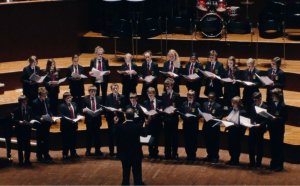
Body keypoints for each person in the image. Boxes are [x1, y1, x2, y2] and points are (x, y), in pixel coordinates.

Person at [115, 108, 144, 185]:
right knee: (137, 174)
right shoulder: (137, 127)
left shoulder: (120, 127)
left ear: (125, 116)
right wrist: (146, 125)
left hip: (124, 154)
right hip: (136, 154)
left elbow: (115, 137)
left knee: (125, 173)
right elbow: (144, 136)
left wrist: (116, 123)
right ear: (133, 116)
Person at [267, 88, 287, 171]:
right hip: (272, 128)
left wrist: (277, 119)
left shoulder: (283, 106)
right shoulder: (271, 104)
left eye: (273, 95)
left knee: (279, 146)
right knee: (273, 146)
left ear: (277, 96)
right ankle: (273, 163)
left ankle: (279, 165)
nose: (272, 97)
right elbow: (269, 114)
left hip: (279, 129)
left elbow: (285, 119)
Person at [32, 87, 53, 162]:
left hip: (47, 123)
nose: (45, 96)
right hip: (40, 124)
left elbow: (49, 110)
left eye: (46, 95)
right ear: (40, 95)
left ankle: (46, 154)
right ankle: (39, 155)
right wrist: (40, 118)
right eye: (44, 95)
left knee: (46, 140)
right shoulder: (35, 102)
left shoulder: (47, 100)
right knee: (40, 140)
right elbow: (34, 114)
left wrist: (50, 115)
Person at [161, 78, 180, 160]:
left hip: (174, 118)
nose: (166, 87)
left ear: (172, 86)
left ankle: (175, 153)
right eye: (165, 85)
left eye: (168, 85)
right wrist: (162, 110)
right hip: (166, 118)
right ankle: (167, 153)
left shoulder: (177, 95)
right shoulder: (164, 95)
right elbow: (162, 106)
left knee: (174, 137)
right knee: (167, 137)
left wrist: (174, 111)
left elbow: (179, 107)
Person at [82, 86, 104, 156]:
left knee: (97, 136)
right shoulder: (85, 99)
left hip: (97, 120)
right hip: (89, 120)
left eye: (94, 91)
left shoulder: (99, 98)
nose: (93, 93)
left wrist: (101, 110)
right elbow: (82, 109)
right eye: (91, 91)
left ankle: (98, 150)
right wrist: (84, 110)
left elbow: (102, 108)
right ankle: (88, 151)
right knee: (89, 136)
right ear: (89, 92)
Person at [248, 92, 268, 168]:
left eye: (256, 100)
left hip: (260, 129)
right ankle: (252, 162)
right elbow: (251, 116)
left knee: (259, 147)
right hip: (253, 128)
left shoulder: (265, 107)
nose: (254, 101)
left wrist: (260, 124)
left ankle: (258, 162)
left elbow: (266, 119)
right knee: (251, 146)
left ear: (260, 99)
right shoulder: (253, 105)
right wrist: (250, 123)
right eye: (254, 100)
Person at [179, 90, 201, 161]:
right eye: (188, 96)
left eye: (191, 96)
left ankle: (193, 155)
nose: (190, 97)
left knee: (193, 140)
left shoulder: (197, 104)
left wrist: (193, 118)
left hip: (194, 125)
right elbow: (181, 113)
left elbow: (199, 115)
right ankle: (188, 154)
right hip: (186, 125)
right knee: (187, 140)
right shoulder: (184, 103)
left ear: (194, 97)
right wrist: (184, 117)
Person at [105, 83, 126, 157]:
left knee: (120, 137)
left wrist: (121, 110)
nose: (115, 89)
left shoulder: (122, 97)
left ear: (118, 88)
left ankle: (119, 152)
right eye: (113, 88)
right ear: (111, 89)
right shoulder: (108, 97)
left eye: (116, 88)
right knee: (111, 136)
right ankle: (111, 152)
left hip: (120, 119)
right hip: (111, 119)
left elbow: (125, 107)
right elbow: (106, 108)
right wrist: (113, 117)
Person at [225, 96, 247, 165]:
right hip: (231, 130)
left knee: (236, 146)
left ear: (238, 103)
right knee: (230, 145)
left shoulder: (243, 112)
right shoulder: (231, 109)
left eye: (234, 103)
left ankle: (236, 160)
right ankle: (232, 159)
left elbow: (243, 124)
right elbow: (228, 118)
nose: (232, 104)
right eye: (232, 102)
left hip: (238, 132)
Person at [202, 92, 223, 163]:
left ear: (214, 98)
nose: (210, 99)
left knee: (214, 142)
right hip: (206, 126)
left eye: (212, 98)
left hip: (214, 127)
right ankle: (209, 155)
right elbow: (202, 112)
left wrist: (215, 117)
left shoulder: (218, 106)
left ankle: (215, 156)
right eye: (209, 98)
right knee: (207, 141)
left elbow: (220, 116)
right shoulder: (205, 104)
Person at [59, 92, 80, 160]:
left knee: (73, 140)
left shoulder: (74, 104)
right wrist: (69, 119)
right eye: (68, 98)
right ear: (65, 99)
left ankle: (73, 153)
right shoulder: (62, 106)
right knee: (66, 141)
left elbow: (76, 112)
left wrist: (78, 116)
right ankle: (65, 154)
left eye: (70, 98)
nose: (69, 99)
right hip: (66, 127)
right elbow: (61, 115)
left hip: (73, 125)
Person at [143, 87, 163, 159]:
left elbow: (161, 112)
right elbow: (144, 113)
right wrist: (146, 119)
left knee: (156, 139)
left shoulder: (159, 102)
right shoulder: (145, 102)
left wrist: (159, 112)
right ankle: (151, 153)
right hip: (149, 123)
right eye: (149, 94)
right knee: (150, 139)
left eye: (151, 94)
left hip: (157, 123)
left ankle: (156, 152)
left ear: (154, 94)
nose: (150, 95)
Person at [13, 95, 33, 166]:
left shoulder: (29, 108)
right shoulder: (16, 110)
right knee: (20, 146)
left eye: (26, 101)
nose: (25, 102)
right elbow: (14, 120)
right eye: (24, 101)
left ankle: (27, 160)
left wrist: (31, 121)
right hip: (20, 130)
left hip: (27, 129)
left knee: (27, 146)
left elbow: (31, 117)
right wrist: (19, 122)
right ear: (20, 102)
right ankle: (20, 161)